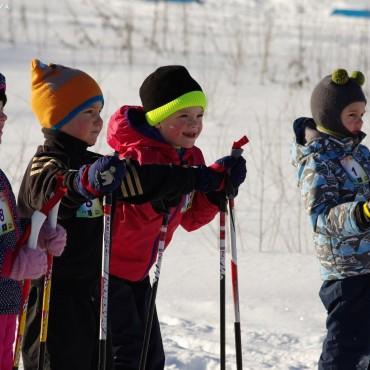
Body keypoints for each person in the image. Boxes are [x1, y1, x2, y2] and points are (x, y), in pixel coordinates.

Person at [18, 60, 244, 370]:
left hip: (94, 288)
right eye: (88, 113)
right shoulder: (46, 163)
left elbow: (143, 182)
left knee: (131, 359)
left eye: (100, 112)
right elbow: (49, 188)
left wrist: (208, 183)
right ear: (59, 117)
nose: (99, 121)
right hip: (56, 293)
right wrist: (81, 182)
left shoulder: (97, 162)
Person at [106, 65, 247, 369]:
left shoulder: (190, 157)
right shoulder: (136, 157)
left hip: (139, 273)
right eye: (183, 116)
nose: (193, 125)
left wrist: (214, 193)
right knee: (127, 356)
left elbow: (190, 219)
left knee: (152, 358)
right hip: (106, 271)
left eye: (199, 116)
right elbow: (130, 215)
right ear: (157, 120)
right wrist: (163, 198)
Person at [291, 69, 370, 369]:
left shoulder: (361, 154)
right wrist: (361, 213)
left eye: (363, 113)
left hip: (368, 265)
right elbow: (321, 218)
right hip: (345, 273)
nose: (360, 121)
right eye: (353, 114)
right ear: (331, 115)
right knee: (345, 349)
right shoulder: (317, 160)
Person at [0, 72, 66, 370]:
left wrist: (35, 237)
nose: (3, 119)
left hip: (7, 305)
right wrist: (11, 264)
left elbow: (6, 234)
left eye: (2, 110)